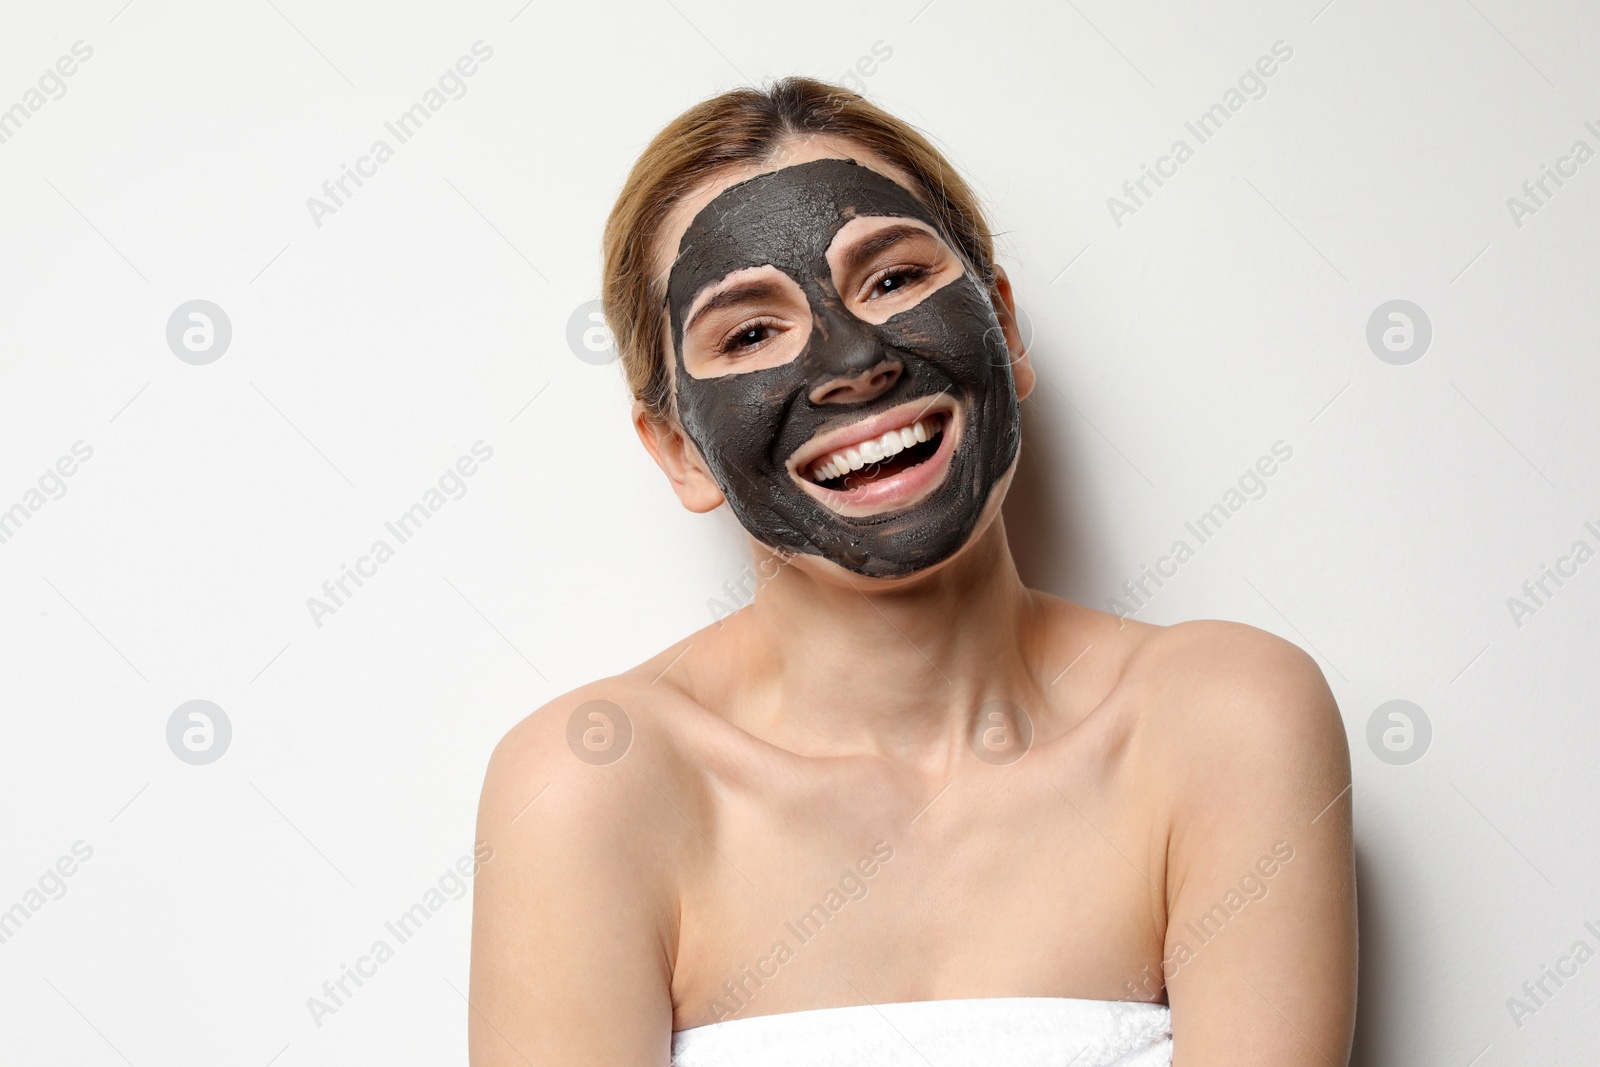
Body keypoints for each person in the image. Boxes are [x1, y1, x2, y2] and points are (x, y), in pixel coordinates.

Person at [469, 76, 1356, 1066]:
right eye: (750, 330)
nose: (853, 360)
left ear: (1005, 327)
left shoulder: (1222, 719)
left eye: (890, 278)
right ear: (678, 450)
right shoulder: (593, 784)